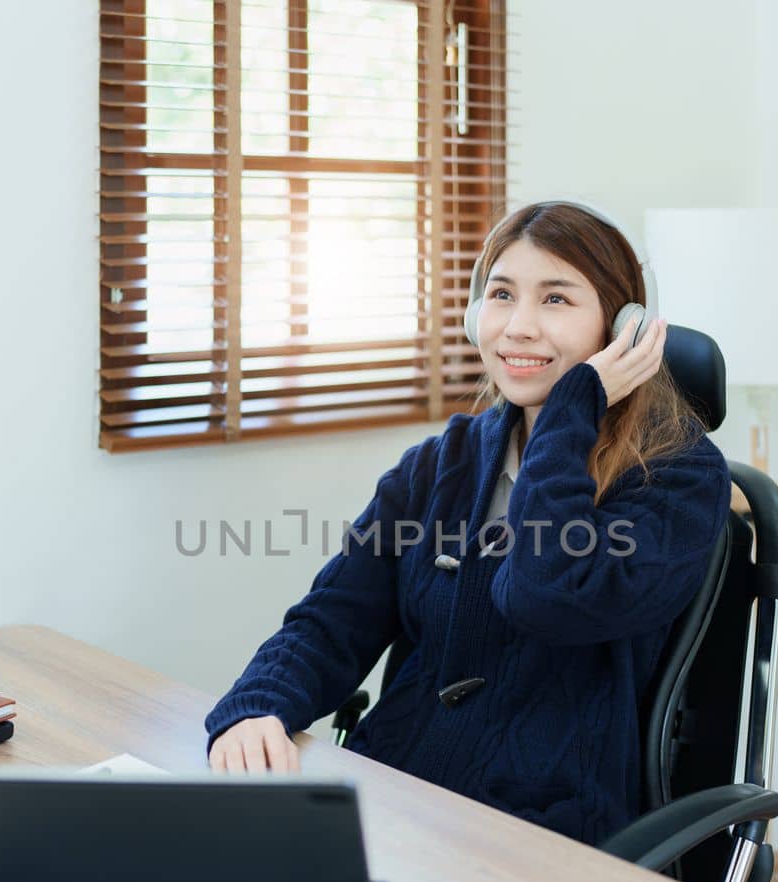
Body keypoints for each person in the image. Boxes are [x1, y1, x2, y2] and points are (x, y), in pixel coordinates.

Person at [203, 200, 731, 845]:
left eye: (557, 300)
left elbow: (543, 593)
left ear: (623, 330)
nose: (518, 327)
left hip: (543, 830)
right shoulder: (438, 464)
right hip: (393, 791)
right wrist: (259, 705)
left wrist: (572, 411)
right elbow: (333, 618)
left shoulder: (677, 477)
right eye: (502, 294)